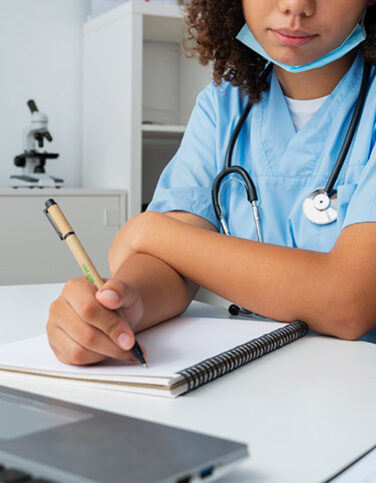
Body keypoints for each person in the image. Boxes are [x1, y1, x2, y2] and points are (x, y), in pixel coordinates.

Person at [47, 0, 376, 366]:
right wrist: (128, 303)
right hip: (251, 380)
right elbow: (170, 261)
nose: (295, 5)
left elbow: (349, 303)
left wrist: (149, 230)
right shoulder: (224, 105)